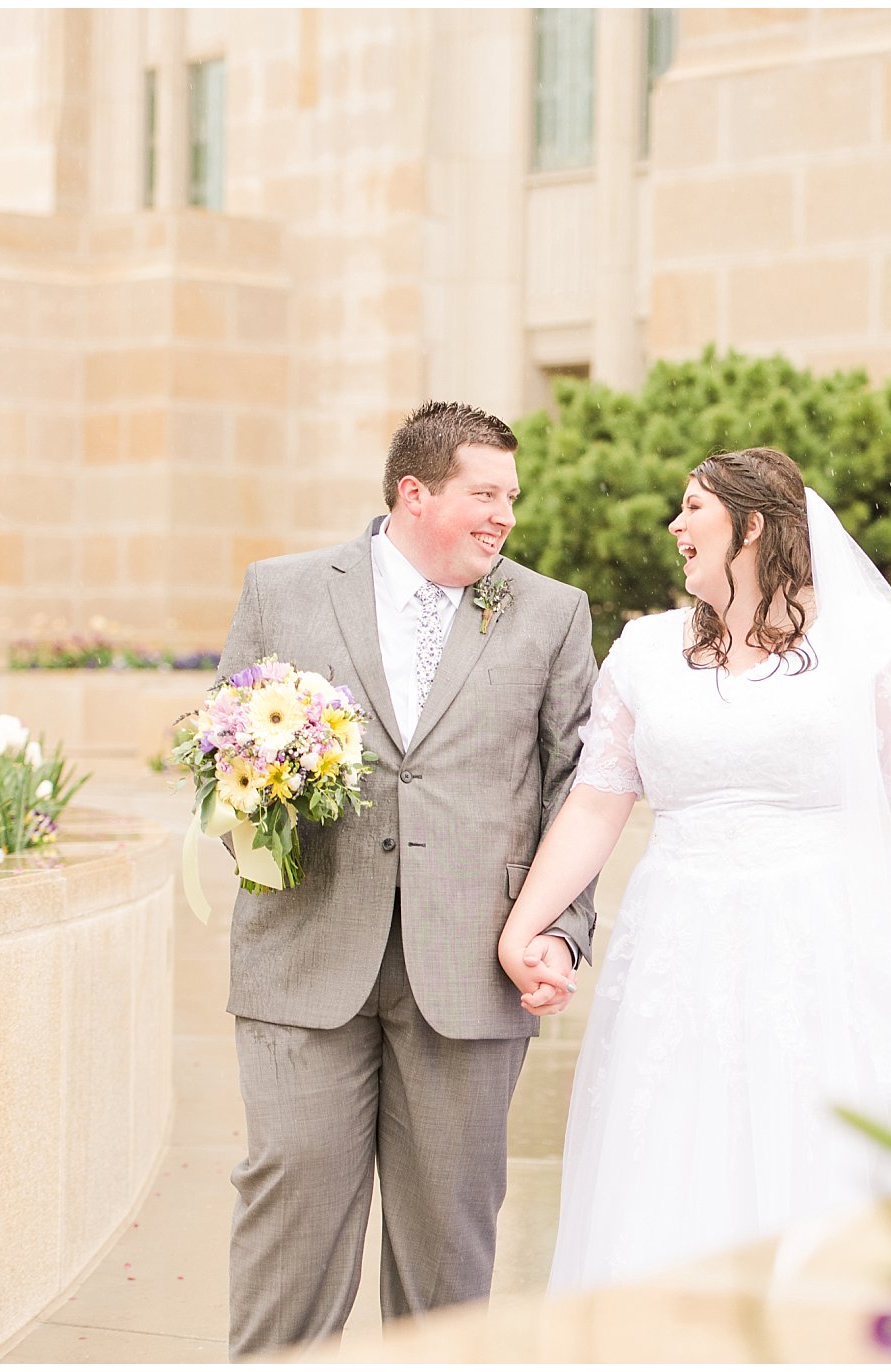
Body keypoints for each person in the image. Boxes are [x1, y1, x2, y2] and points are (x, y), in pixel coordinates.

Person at [498, 446, 891, 1291]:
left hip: (828, 945)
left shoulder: (864, 643)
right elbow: (596, 804)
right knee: (674, 1151)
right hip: (680, 947)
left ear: (752, 525)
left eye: (693, 508)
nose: (675, 527)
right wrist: (524, 926)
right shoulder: (642, 651)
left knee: (815, 1144)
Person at [214, 400, 593, 1357]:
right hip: (305, 960)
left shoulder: (550, 612)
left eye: (512, 495)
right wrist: (267, 810)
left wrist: (561, 930)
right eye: (485, 493)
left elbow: (575, 791)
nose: (505, 514)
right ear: (413, 493)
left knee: (448, 1260)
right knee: (288, 1224)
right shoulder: (284, 591)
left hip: (473, 972)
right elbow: (227, 763)